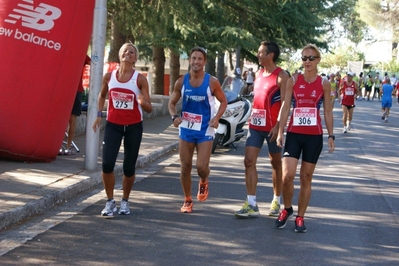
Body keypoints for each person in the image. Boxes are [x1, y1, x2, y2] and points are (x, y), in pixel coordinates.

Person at [275, 43, 335, 233]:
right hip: (294, 134)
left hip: (313, 137)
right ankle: (287, 209)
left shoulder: (324, 83)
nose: (307, 61)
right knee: (287, 176)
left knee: (305, 177)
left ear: (318, 60)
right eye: (304, 58)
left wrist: (331, 135)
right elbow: (285, 107)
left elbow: (327, 111)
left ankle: (300, 217)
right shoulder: (293, 80)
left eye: (311, 58)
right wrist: (280, 131)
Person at [92, 43, 152, 217]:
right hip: (113, 125)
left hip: (133, 127)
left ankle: (125, 201)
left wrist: (142, 102)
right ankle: (110, 201)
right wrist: (98, 114)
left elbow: (149, 108)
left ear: (135, 58)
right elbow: (102, 95)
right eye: (125, 51)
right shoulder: (109, 77)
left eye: (132, 52)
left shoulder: (140, 79)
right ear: (119, 55)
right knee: (107, 164)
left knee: (128, 167)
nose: (128, 53)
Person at [168, 46, 227, 213]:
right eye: (193, 58)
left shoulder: (212, 82)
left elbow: (223, 101)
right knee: (185, 166)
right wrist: (174, 117)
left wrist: (216, 118)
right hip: (186, 129)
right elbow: (171, 103)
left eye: (200, 59)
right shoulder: (181, 81)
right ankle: (187, 200)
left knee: (201, 167)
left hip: (205, 130)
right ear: (190, 61)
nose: (196, 62)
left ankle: (203, 180)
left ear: (204, 62)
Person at [234, 41, 289, 218]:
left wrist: (278, 126)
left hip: (272, 128)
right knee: (248, 161)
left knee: (275, 163)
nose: (257, 55)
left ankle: (276, 200)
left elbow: (285, 105)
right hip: (255, 126)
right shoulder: (258, 74)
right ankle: (251, 203)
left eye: (260, 52)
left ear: (270, 55)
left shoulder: (282, 76)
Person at [60, 55, 91, 155]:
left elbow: (94, 63)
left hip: (77, 89)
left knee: (72, 119)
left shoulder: (82, 53)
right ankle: (59, 146)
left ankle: (68, 147)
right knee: (61, 119)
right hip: (64, 88)